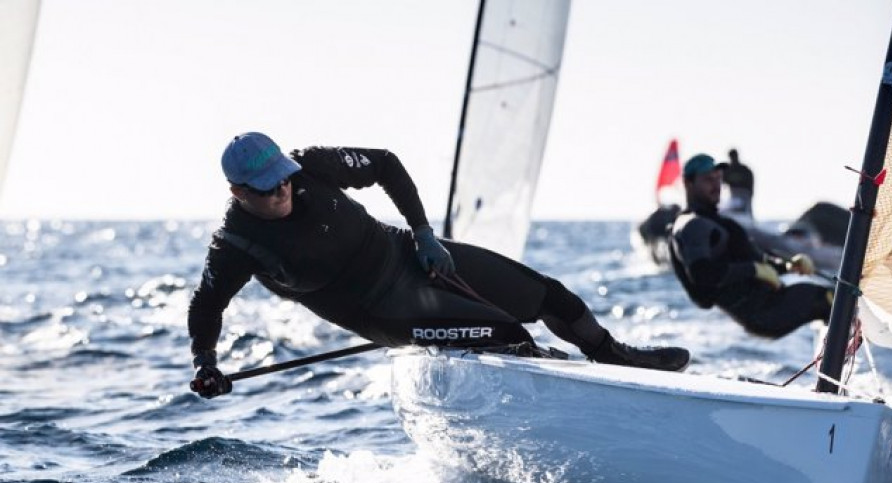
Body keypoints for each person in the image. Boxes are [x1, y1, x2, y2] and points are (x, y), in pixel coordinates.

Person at [188, 132, 691, 397]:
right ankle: (570, 389)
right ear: (237, 192)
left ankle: (614, 358)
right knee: (506, 333)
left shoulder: (310, 165)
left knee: (549, 295)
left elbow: (384, 162)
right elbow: (206, 306)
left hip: (410, 254)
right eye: (268, 188)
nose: (283, 192)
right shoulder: (235, 245)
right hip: (383, 309)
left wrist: (424, 234)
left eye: (284, 179)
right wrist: (205, 364)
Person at [667, 153, 832, 339]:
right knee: (830, 299)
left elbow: (757, 261)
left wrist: (788, 266)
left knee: (835, 298)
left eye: (718, 179)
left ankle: (834, 357)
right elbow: (703, 275)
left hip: (771, 302)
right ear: (688, 183)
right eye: (707, 180)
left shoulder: (717, 222)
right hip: (762, 313)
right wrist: (753, 270)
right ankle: (837, 362)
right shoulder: (691, 225)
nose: (716, 186)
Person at [720, 148, 755, 219]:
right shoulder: (728, 170)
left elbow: (750, 182)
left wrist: (750, 193)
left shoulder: (745, 170)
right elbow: (723, 182)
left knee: (746, 215)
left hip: (745, 195)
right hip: (734, 196)